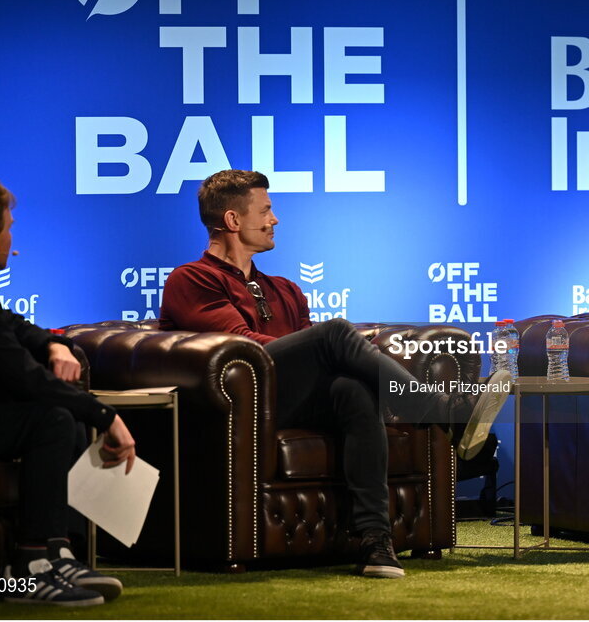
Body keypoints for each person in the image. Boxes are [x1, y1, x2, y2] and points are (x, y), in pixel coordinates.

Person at [159, 169, 510, 578]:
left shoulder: (285, 289)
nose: (275, 220)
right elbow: (242, 344)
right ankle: (443, 409)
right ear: (233, 221)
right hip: (247, 406)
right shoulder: (192, 279)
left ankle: (375, 543)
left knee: (353, 391)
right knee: (336, 334)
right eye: (266, 210)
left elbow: (312, 358)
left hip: (296, 399)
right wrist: (329, 347)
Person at [0, 178, 137, 605]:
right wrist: (106, 416)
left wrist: (53, 343)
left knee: (62, 416)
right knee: (51, 419)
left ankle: (56, 553)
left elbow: (9, 326)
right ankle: (30, 569)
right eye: (10, 226)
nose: (13, 236)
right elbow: (22, 377)